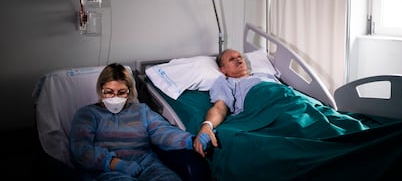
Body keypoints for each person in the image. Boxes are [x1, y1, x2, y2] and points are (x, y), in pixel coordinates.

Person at [192, 49, 368, 157]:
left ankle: (357, 140)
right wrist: (207, 125)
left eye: (240, 56)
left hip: (294, 99)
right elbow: (220, 106)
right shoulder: (225, 82)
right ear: (223, 70)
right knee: (301, 127)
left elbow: (287, 93)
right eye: (232, 59)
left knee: (338, 120)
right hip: (265, 105)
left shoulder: (265, 75)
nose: (239, 59)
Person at [70, 63, 211, 181]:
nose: (115, 97)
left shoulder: (141, 111)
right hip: (106, 171)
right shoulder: (87, 114)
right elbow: (81, 150)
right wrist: (114, 163)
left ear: (129, 91)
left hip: (147, 165)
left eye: (121, 92)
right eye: (109, 92)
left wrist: (191, 140)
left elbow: (163, 132)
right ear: (101, 91)